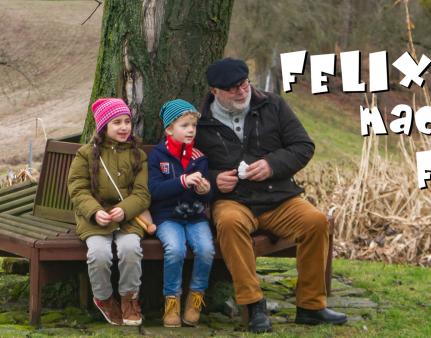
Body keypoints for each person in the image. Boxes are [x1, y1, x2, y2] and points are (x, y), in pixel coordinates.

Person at [195, 58, 347, 333]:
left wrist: (271, 165)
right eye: (232, 89)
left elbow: (303, 146)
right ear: (215, 91)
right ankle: (254, 306)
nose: (242, 92)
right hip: (233, 201)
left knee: (316, 221)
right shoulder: (199, 123)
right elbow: (183, 167)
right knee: (229, 224)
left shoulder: (273, 105)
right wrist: (215, 180)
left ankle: (311, 306)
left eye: (244, 84)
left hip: (278, 197)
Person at [67, 98, 149, 326]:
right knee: (99, 254)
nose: (124, 127)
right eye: (117, 122)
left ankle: (129, 297)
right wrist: (94, 211)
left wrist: (124, 210)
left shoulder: (138, 155)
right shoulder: (85, 154)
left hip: (128, 217)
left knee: (130, 248)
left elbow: (142, 194)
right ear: (104, 126)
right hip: (94, 217)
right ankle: (103, 298)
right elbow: (77, 188)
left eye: (127, 121)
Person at [148, 99, 215, 327]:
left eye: (193, 126)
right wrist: (183, 181)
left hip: (195, 217)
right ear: (169, 129)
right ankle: (171, 302)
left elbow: (205, 197)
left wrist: (205, 191)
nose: (190, 130)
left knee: (206, 250)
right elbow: (155, 190)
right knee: (175, 250)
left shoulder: (199, 158)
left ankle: (195, 299)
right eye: (184, 125)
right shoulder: (158, 156)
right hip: (167, 217)